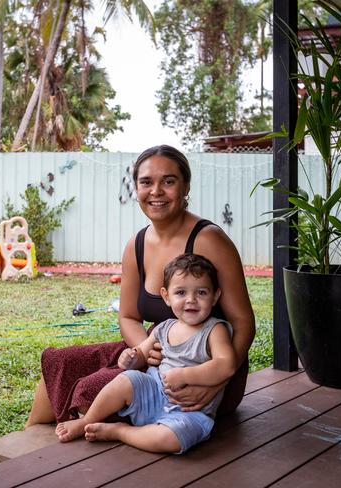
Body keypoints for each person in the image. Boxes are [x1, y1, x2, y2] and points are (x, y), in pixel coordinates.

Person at [26, 144, 255, 427]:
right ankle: (25, 449)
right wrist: (145, 350)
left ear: (185, 187)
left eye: (168, 181)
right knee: (62, 363)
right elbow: (128, 316)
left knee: (90, 391)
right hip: (155, 353)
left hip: (200, 373)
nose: (156, 191)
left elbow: (243, 321)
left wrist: (218, 380)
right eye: (146, 182)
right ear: (136, 188)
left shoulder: (209, 240)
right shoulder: (136, 245)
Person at [55, 253, 236, 454]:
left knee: (169, 439)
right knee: (125, 380)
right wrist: (131, 358)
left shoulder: (214, 329)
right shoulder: (165, 328)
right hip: (153, 392)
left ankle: (120, 432)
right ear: (166, 296)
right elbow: (141, 353)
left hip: (189, 413)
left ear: (215, 296)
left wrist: (185, 375)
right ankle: (87, 421)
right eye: (181, 292)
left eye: (201, 292)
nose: (191, 300)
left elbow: (225, 364)